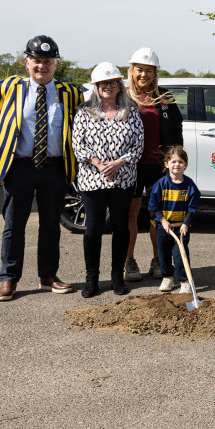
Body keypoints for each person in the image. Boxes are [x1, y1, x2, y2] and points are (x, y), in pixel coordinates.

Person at [0, 35, 83, 301]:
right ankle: (8, 280)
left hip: (54, 169)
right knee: (14, 225)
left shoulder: (70, 93)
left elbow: (83, 129)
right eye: (36, 60)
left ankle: (48, 276)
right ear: (27, 62)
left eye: (47, 61)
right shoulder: (7, 88)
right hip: (19, 167)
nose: (41, 66)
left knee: (51, 225)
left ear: (56, 64)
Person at [71, 62, 144, 297]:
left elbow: (138, 144)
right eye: (104, 83)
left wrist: (119, 163)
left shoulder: (131, 110)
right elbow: (77, 144)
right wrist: (97, 163)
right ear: (96, 86)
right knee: (93, 228)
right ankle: (91, 279)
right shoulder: (84, 111)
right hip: (93, 179)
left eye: (113, 82)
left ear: (119, 86)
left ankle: (116, 278)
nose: (109, 86)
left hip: (122, 178)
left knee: (120, 227)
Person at [122, 47, 184, 283]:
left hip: (160, 166)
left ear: (155, 73)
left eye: (149, 70)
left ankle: (159, 260)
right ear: (132, 70)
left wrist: (175, 159)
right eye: (140, 70)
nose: (144, 75)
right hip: (132, 166)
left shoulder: (165, 97)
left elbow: (176, 129)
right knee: (131, 213)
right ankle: (129, 260)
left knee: (159, 215)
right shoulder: (123, 96)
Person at [148, 146, 200, 294]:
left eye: (181, 162)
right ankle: (167, 277)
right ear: (167, 164)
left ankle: (184, 280)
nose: (177, 164)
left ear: (186, 165)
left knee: (180, 254)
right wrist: (163, 221)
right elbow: (154, 206)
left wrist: (186, 223)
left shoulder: (189, 185)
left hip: (181, 226)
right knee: (163, 253)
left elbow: (192, 207)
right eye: (173, 161)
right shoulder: (161, 184)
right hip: (164, 226)